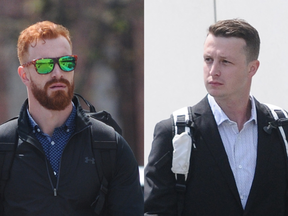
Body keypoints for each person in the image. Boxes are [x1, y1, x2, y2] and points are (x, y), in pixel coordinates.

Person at [144, 19, 288, 216]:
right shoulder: (172, 132)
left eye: (225, 62)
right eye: (208, 60)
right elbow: (156, 211)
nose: (213, 71)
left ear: (252, 68)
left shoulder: (282, 129)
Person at [0, 21, 143, 215]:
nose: (58, 73)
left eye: (66, 63)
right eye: (44, 65)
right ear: (24, 75)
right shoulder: (4, 146)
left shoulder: (110, 146)